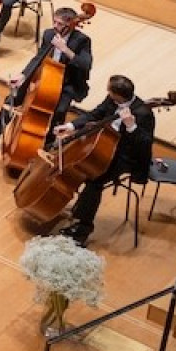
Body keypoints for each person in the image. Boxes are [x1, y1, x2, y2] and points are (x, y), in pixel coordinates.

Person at [0, 6, 93, 152]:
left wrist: (65, 49)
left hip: (67, 82)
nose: (55, 26)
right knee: (12, 99)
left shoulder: (82, 41)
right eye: (54, 21)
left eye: (59, 24)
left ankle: (47, 147)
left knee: (59, 111)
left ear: (70, 24)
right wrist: (23, 75)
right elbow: (39, 57)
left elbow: (85, 65)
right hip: (44, 76)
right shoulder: (49, 34)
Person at [55, 75, 156, 247]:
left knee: (95, 180)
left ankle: (83, 229)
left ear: (119, 96)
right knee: (83, 166)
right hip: (105, 146)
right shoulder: (111, 100)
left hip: (126, 156)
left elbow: (144, 145)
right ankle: (78, 209)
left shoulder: (143, 113)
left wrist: (131, 126)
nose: (108, 94)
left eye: (110, 91)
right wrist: (72, 126)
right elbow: (95, 114)